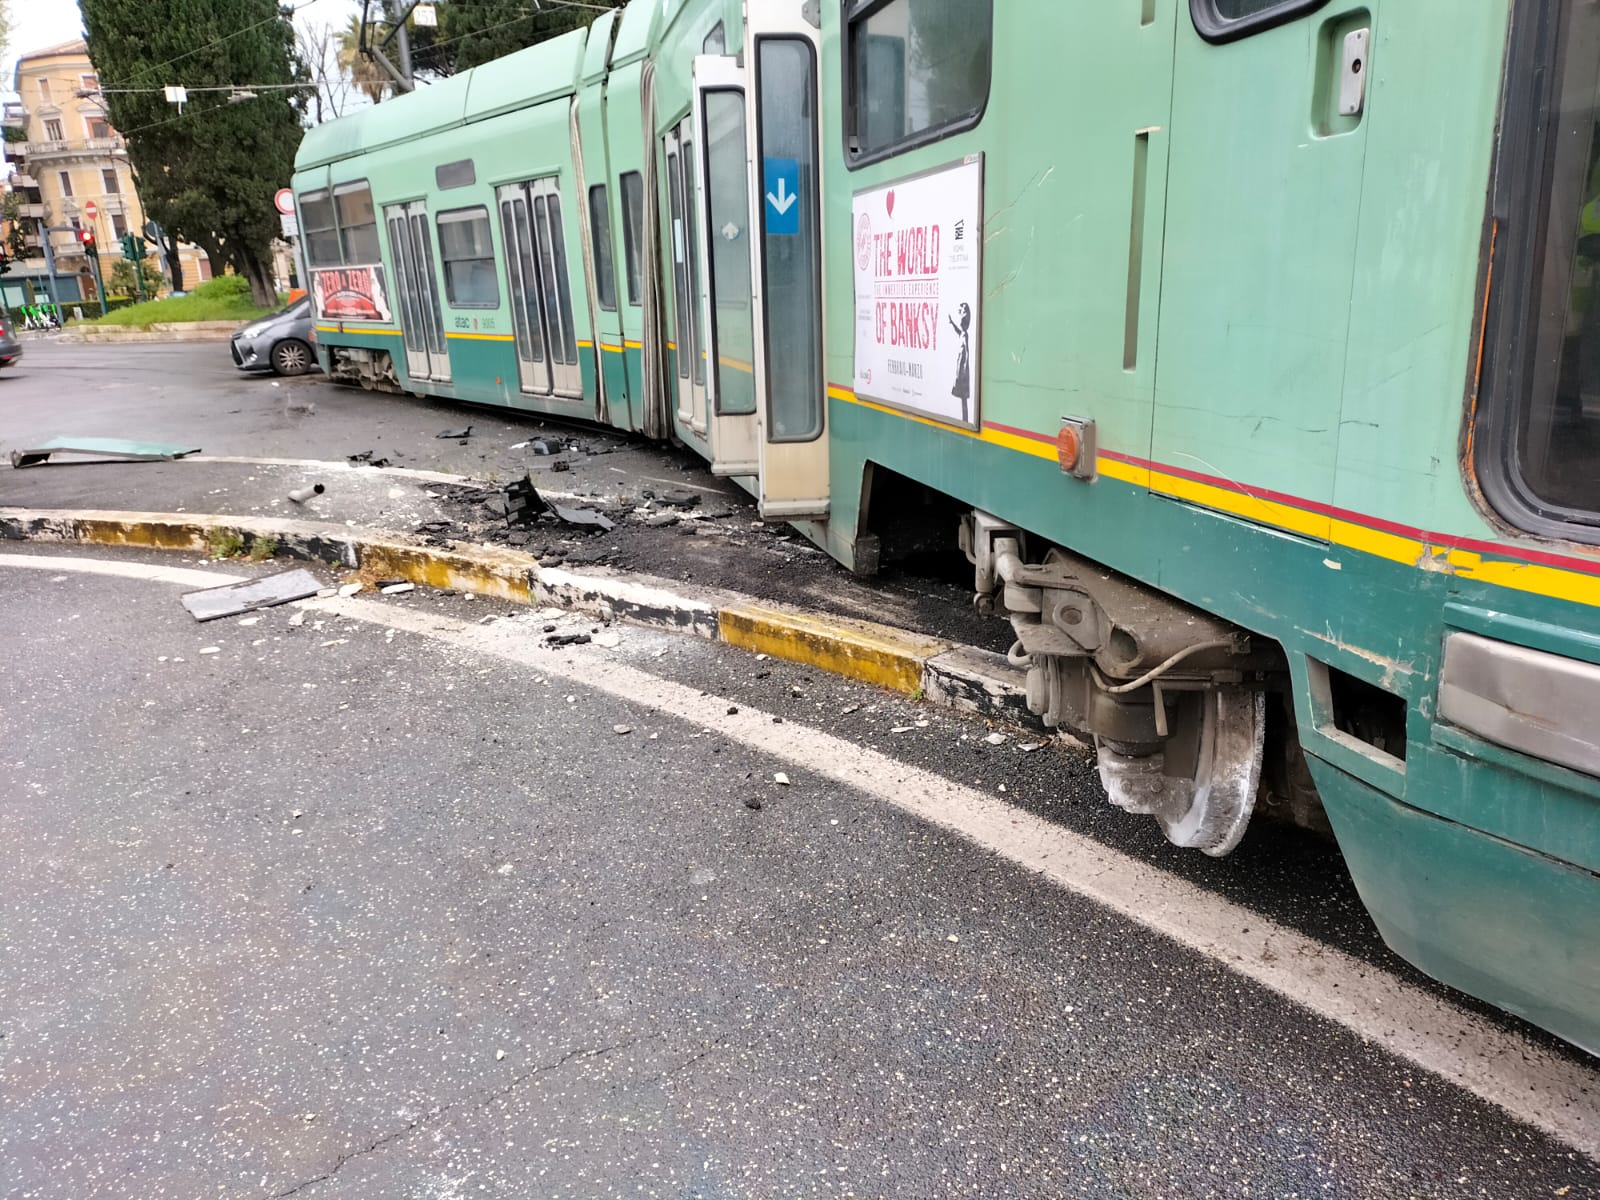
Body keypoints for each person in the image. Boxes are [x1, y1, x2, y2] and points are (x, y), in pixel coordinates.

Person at [948, 302, 972, 423]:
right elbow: (958, 331)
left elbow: (967, 352)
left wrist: (964, 367)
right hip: (960, 367)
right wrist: (952, 323)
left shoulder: (965, 335)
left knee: (963, 396)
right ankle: (964, 419)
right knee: (961, 396)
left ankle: (965, 419)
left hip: (962, 369)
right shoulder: (962, 333)